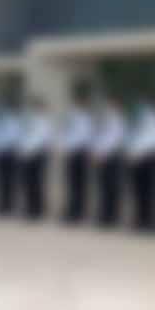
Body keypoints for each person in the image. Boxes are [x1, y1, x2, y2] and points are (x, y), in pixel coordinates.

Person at [58, 84, 94, 224]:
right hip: (71, 153)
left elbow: (85, 136)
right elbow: (65, 133)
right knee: (72, 184)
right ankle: (72, 211)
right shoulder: (71, 115)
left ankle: (78, 212)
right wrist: (64, 148)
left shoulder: (86, 117)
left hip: (80, 152)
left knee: (80, 185)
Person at [127, 94, 155, 231]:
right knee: (138, 191)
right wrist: (132, 153)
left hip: (148, 157)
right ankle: (140, 218)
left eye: (143, 102)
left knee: (148, 191)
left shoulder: (154, 118)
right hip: (136, 158)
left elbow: (153, 139)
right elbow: (134, 139)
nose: (140, 105)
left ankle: (148, 220)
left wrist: (139, 152)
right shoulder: (138, 120)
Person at [91, 94, 127, 228]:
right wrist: (96, 151)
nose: (109, 106)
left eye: (112, 103)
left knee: (112, 187)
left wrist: (102, 153)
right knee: (104, 187)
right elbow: (100, 137)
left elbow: (114, 139)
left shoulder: (118, 119)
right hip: (102, 156)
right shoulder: (107, 118)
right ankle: (104, 214)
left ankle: (111, 216)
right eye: (109, 103)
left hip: (111, 156)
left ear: (118, 104)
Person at [19, 96, 52, 220]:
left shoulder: (45, 122)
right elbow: (25, 138)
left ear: (43, 108)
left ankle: (37, 210)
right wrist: (24, 151)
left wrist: (30, 151)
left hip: (38, 155)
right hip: (28, 155)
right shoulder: (31, 121)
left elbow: (41, 140)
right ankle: (30, 208)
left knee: (37, 183)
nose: (36, 109)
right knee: (28, 183)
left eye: (38, 107)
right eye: (34, 107)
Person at [0, 101, 21, 216]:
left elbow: (13, 138)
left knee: (9, 181)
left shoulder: (14, 121)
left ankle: (9, 206)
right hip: (0, 154)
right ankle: (2, 205)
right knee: (1, 181)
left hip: (10, 153)